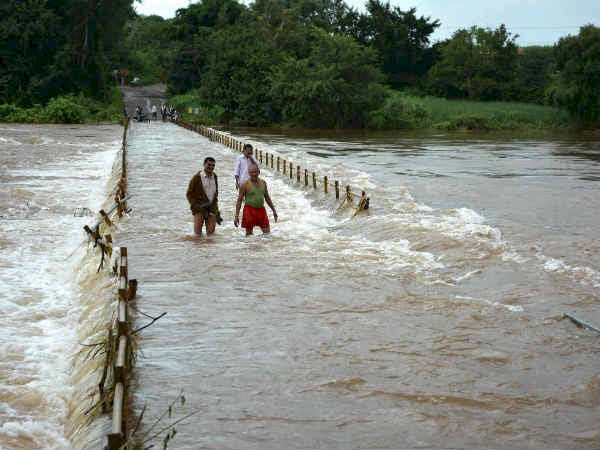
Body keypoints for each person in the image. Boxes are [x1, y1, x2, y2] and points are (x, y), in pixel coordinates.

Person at [234, 164, 277, 235]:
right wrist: (236, 216)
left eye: (255, 172)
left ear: (259, 172)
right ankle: (252, 246)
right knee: (249, 235)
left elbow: (267, 197)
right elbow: (239, 200)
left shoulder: (263, 183)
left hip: (261, 210)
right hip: (249, 210)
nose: (254, 174)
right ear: (248, 173)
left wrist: (274, 210)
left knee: (267, 234)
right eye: (251, 172)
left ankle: (261, 245)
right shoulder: (245, 185)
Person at [186, 157, 220, 236]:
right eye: (209, 165)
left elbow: (216, 194)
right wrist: (195, 205)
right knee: (197, 236)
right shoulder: (196, 177)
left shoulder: (215, 176)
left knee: (211, 236)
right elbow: (189, 194)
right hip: (199, 208)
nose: (211, 167)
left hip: (211, 208)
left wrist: (217, 210)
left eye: (213, 165)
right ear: (204, 164)